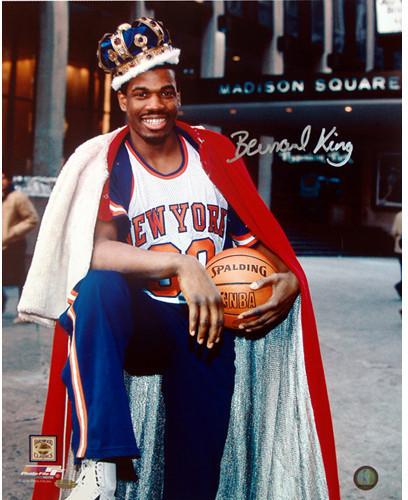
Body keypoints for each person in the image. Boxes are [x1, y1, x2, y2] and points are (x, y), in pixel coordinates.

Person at [19, 18, 340, 500]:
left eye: (165, 92)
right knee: (95, 291)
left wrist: (289, 279)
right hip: (142, 320)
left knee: (196, 467)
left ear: (178, 96)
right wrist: (179, 264)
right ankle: (100, 460)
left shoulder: (214, 154)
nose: (155, 105)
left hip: (207, 325)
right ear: (122, 100)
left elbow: (256, 240)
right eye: (141, 94)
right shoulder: (112, 164)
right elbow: (97, 250)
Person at [2, 171, 38, 318]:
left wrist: (12, 232)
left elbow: (32, 218)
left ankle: (23, 313)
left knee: (18, 277)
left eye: (3, 177)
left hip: (14, 243)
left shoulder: (17, 197)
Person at [391, 210, 402, 298]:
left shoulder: (398, 215)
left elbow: (393, 232)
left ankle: (400, 288)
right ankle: (400, 287)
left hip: (399, 248)